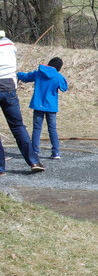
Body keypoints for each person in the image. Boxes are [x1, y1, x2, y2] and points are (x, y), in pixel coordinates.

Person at [0, 30, 43, 174]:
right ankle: (34, 161)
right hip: (9, 88)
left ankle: (0, 168)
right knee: (18, 126)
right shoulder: (9, 44)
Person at [16, 57, 68, 160]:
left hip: (38, 105)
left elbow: (26, 77)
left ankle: (35, 151)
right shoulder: (58, 76)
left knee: (37, 128)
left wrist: (18, 74)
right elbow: (64, 88)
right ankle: (56, 152)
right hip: (51, 107)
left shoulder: (38, 73)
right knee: (52, 129)